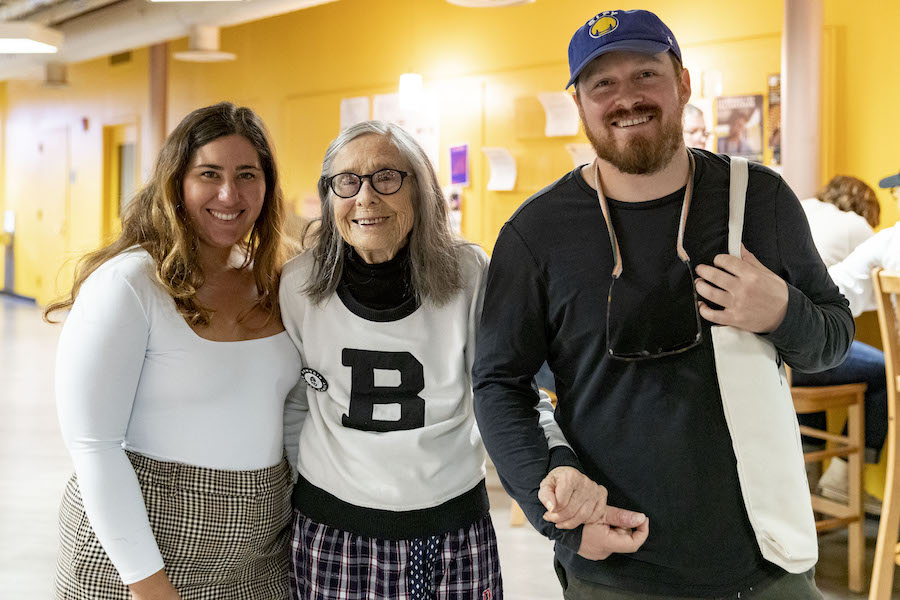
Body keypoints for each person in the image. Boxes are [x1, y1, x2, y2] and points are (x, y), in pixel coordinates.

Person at [473, 8, 853, 600]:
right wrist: (553, 509)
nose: (626, 98)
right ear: (580, 105)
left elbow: (833, 339)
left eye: (645, 74)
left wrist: (781, 311)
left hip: (765, 561)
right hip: (614, 560)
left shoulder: (760, 200)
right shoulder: (536, 232)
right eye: (603, 83)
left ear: (682, 84)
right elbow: (498, 383)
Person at [278, 120, 566, 600]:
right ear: (329, 198)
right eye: (346, 181)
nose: (365, 197)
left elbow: (506, 388)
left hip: (452, 523)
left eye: (386, 176)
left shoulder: (468, 273)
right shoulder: (299, 284)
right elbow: (294, 406)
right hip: (334, 526)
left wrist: (555, 458)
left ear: (421, 189)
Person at [47, 102, 301, 600]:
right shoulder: (129, 284)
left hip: (261, 553)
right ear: (176, 184)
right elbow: (94, 446)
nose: (229, 193)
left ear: (267, 187)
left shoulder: (275, 281)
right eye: (209, 173)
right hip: (141, 548)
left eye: (247, 174)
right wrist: (149, 586)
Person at [793, 175, 886, 514]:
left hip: (780, 356)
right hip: (808, 350)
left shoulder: (800, 207)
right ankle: (841, 483)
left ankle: (805, 477)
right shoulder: (855, 225)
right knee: (886, 373)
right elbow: (877, 292)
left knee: (811, 350)